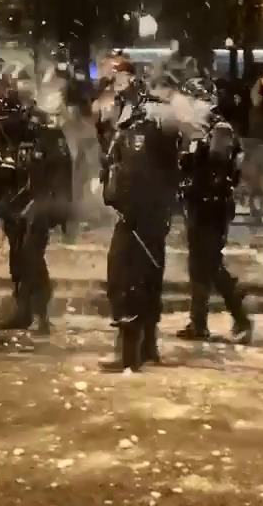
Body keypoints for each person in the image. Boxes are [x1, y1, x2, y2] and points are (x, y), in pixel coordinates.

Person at [100, 78, 179, 372]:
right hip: (149, 214)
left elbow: (136, 173)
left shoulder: (143, 129)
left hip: (139, 216)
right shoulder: (143, 126)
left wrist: (127, 203)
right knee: (146, 275)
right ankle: (146, 345)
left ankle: (129, 351)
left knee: (125, 276)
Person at [0, 85, 74, 334]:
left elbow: (61, 174)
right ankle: (22, 311)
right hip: (14, 206)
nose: (7, 124)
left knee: (32, 256)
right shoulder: (3, 136)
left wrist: (54, 209)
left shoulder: (48, 134)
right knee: (17, 258)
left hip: (41, 205)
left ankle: (41, 313)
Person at [176, 77, 252, 343]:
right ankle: (198, 323)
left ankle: (240, 314)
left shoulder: (219, 129)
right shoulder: (201, 129)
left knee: (208, 264)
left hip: (213, 205)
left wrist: (194, 156)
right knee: (199, 264)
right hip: (199, 203)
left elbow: (218, 169)